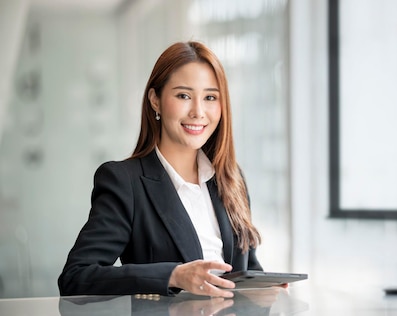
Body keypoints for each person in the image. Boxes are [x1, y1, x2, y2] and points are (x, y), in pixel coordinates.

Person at [58, 41, 265, 298]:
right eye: (183, 96)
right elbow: (76, 277)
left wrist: (265, 293)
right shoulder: (125, 182)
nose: (198, 112)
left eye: (210, 97)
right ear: (155, 100)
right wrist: (173, 275)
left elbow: (249, 271)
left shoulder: (231, 179)